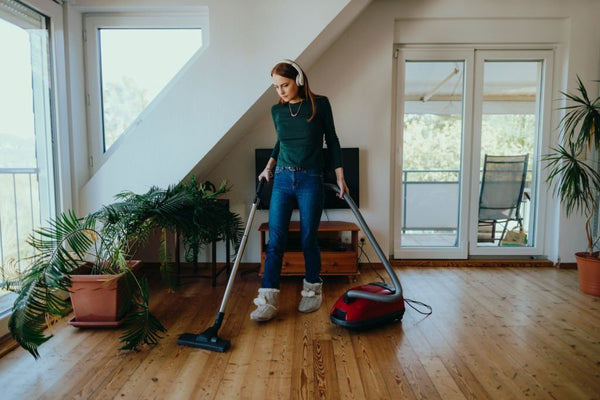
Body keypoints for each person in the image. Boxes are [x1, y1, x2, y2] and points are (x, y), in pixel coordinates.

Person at [250, 59, 349, 322]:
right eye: (275, 87)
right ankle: (268, 300)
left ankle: (312, 292)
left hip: (310, 179)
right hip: (282, 179)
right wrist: (268, 167)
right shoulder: (277, 111)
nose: (280, 91)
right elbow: (280, 143)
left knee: (308, 238)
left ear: (299, 81)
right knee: (276, 241)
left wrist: (340, 176)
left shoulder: (320, 104)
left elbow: (333, 139)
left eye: (284, 85)